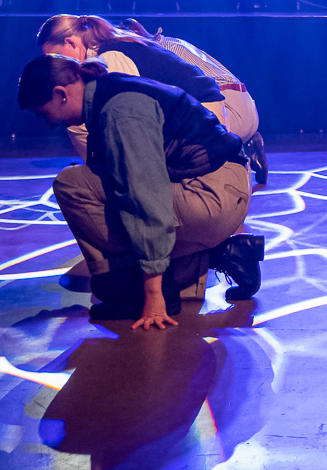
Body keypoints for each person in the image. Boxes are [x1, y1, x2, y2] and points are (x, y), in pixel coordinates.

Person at [18, 55, 264, 329]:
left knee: (74, 186)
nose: (50, 124)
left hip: (212, 193)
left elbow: (146, 199)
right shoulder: (108, 93)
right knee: (88, 191)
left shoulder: (121, 111)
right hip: (217, 187)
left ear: (60, 94)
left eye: (44, 113)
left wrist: (154, 294)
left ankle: (145, 285)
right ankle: (227, 254)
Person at [117, 18, 267, 184]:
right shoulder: (171, 42)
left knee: (183, 141)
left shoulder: (159, 53)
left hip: (230, 107)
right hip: (246, 104)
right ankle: (248, 140)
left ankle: (238, 156)